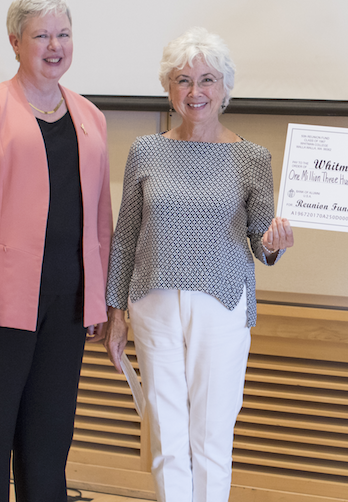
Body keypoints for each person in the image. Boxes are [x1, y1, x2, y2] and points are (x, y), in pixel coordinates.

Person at [0, 0, 113, 501]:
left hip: (66, 307)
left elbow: (98, 219)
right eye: (41, 36)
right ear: (16, 42)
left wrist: (96, 300)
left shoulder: (90, 118)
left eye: (63, 34)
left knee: (49, 441)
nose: (54, 46)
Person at [103, 26, 294, 502]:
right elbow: (125, 235)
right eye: (183, 80)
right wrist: (114, 312)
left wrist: (276, 244)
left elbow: (260, 241)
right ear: (169, 89)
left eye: (207, 79)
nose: (196, 92)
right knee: (167, 436)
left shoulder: (252, 158)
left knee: (211, 436)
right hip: (152, 303)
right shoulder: (146, 151)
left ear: (225, 88)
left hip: (223, 304)